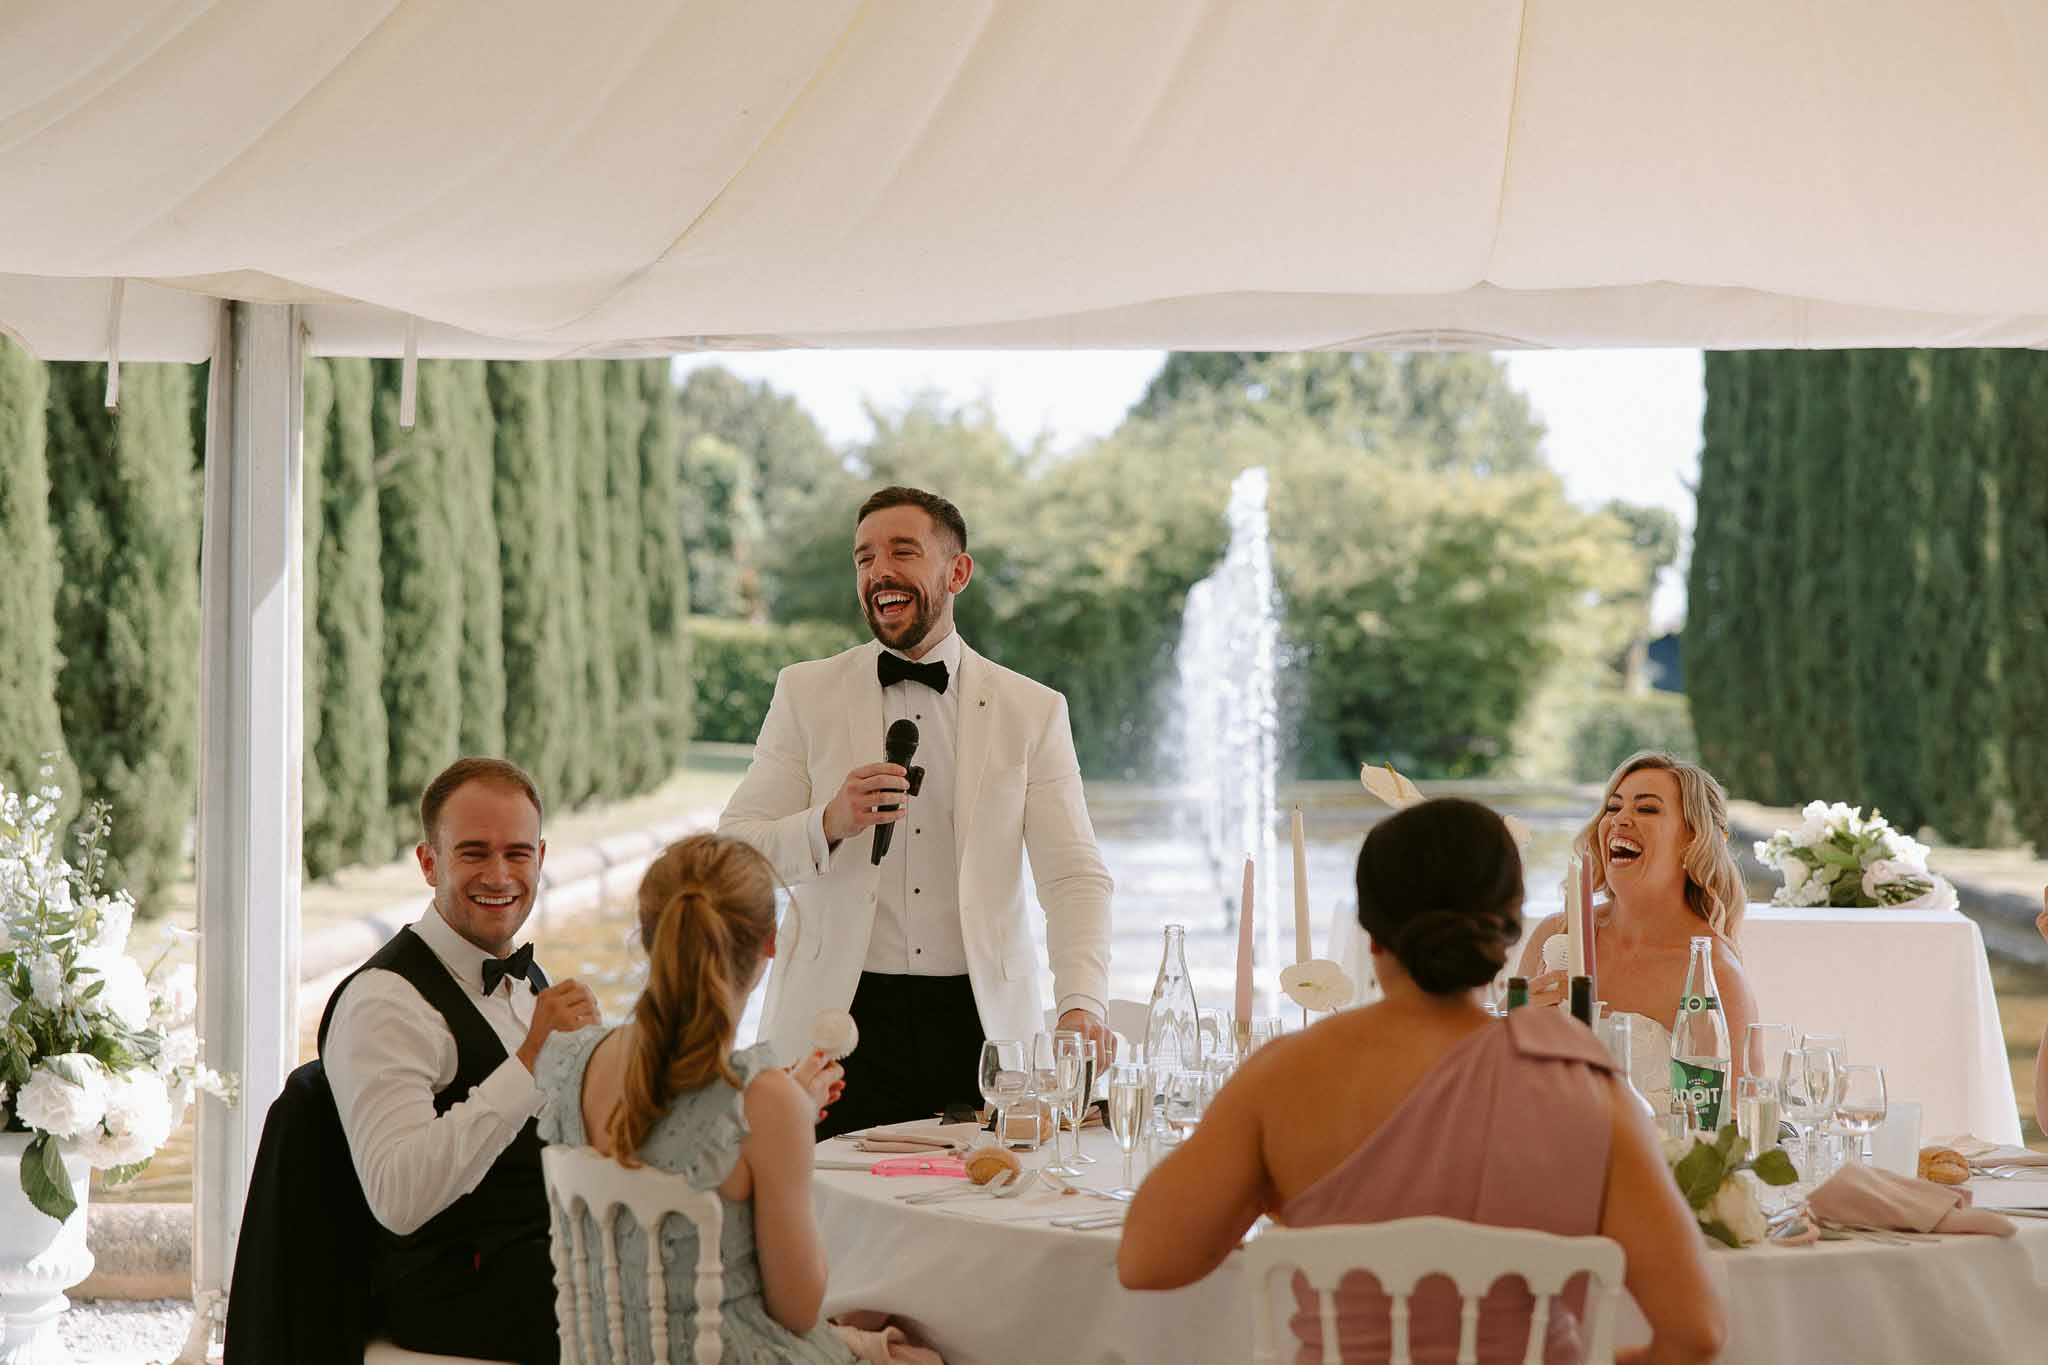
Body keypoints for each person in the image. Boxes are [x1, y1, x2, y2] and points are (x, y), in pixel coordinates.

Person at [1118, 798, 1726, 1365]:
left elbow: (1146, 1260)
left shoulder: (1284, 1077)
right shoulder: (1586, 1080)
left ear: (1370, 930)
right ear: (1511, 927)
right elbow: (1695, 1333)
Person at [719, 485, 1114, 1137]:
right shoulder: (804, 691)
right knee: (826, 1224)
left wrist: (1079, 1002)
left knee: (984, 1223)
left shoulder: (1032, 709)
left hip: (982, 1029)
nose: (879, 572)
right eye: (864, 557)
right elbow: (733, 848)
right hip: (835, 1022)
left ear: (957, 571)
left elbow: (1074, 876)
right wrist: (829, 821)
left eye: (902, 550)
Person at [536, 835, 856, 1363]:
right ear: (769, 943)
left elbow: (682, 1120)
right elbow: (798, 1309)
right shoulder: (766, 1102)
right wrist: (789, 1117)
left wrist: (786, 1107)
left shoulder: (574, 1062)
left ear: (647, 939)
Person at [320, 757, 598, 1364]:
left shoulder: (525, 982)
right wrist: (529, 1062)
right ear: (429, 862)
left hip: (544, 1257)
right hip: (454, 1290)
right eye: (474, 853)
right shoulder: (385, 1001)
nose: (499, 874)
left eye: (517, 853)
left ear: (541, 859)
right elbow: (398, 1198)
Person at [1513, 750, 1758, 1110]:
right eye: (1613, 808)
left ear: (1692, 840)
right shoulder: (1555, 935)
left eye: (1646, 809)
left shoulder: (1710, 973)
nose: (1620, 820)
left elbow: (1732, 1130)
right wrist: (1515, 1026)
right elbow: (1505, 1085)